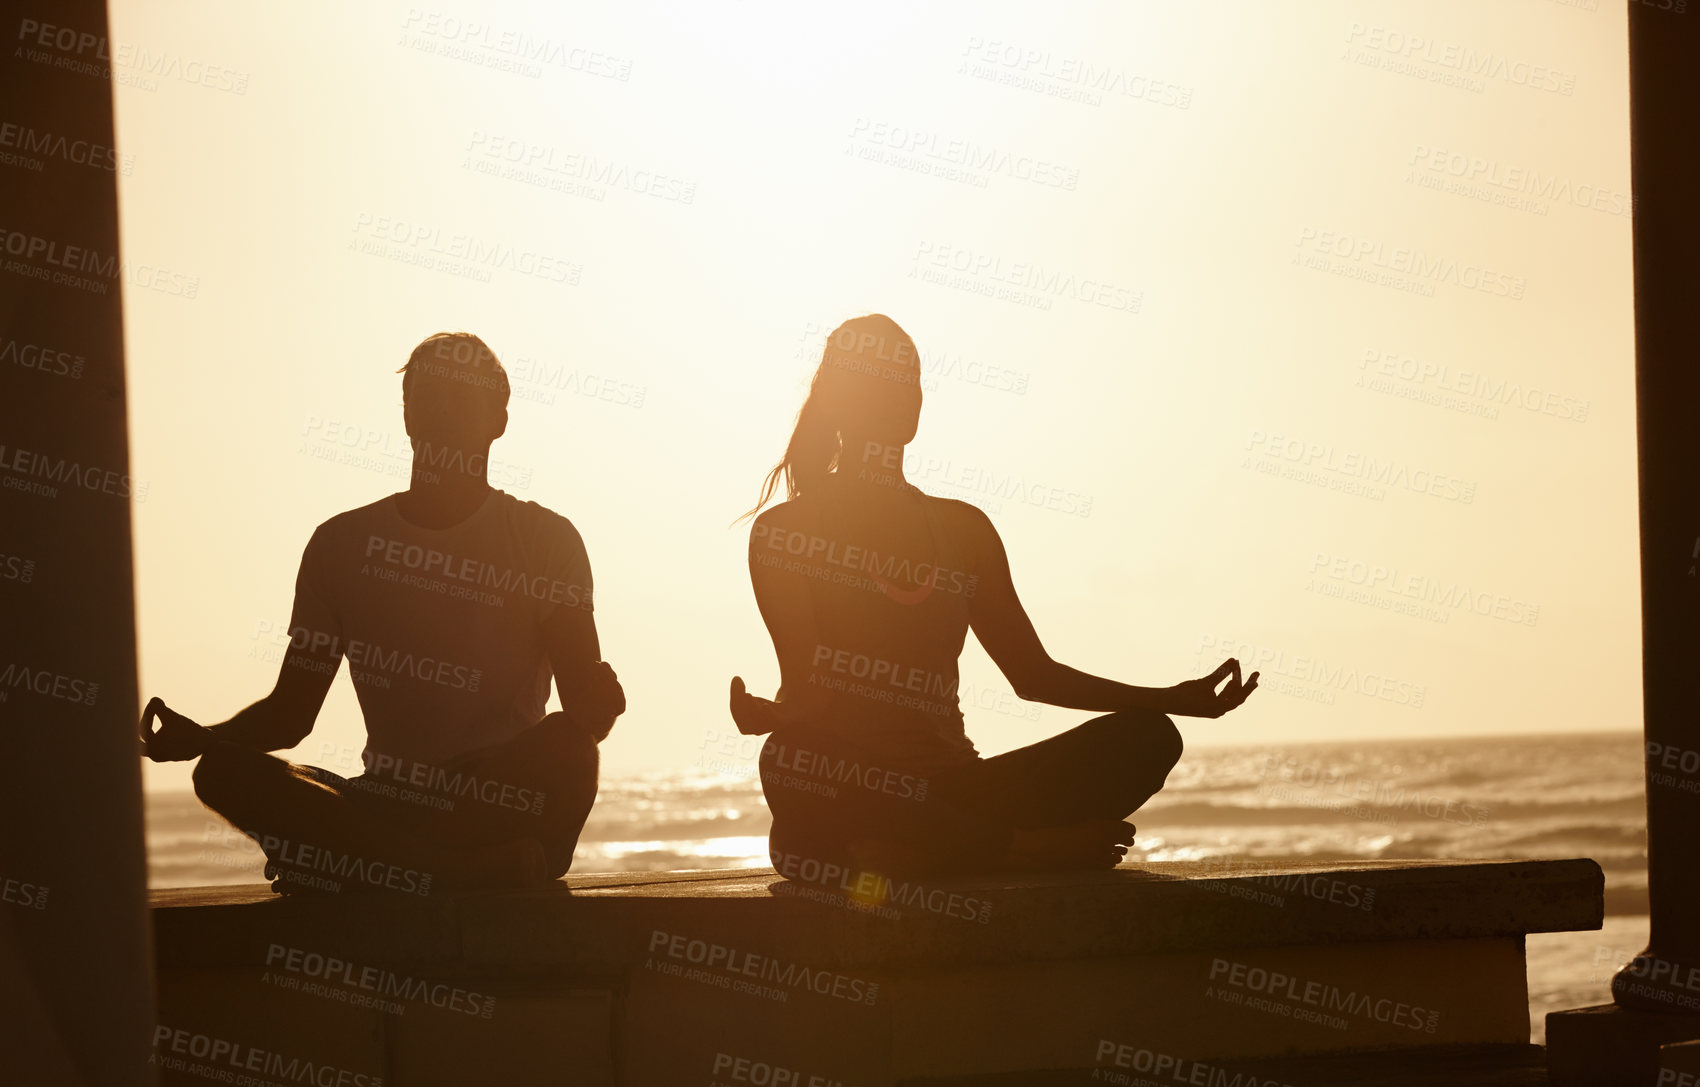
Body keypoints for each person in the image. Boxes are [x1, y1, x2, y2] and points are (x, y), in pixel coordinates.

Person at [731, 315, 1257, 880]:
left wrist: (1171, 698)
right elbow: (811, 691)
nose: (904, 394)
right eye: (882, 381)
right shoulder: (788, 532)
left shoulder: (963, 530)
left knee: (1147, 735)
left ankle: (924, 850)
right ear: (841, 401)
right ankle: (1019, 850)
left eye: (911, 378)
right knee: (790, 759)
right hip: (857, 783)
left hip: (959, 790)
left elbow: (1033, 675)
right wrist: (775, 716)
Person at [140, 332, 624, 895]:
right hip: (385, 800)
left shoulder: (545, 539)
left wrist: (600, 707)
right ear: (406, 415)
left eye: (462, 399)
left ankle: (372, 866)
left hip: (493, 798)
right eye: (430, 397)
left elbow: (583, 717)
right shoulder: (340, 544)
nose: (444, 412)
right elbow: (292, 714)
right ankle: (443, 872)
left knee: (567, 746)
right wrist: (202, 737)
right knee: (222, 769)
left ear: (500, 419)